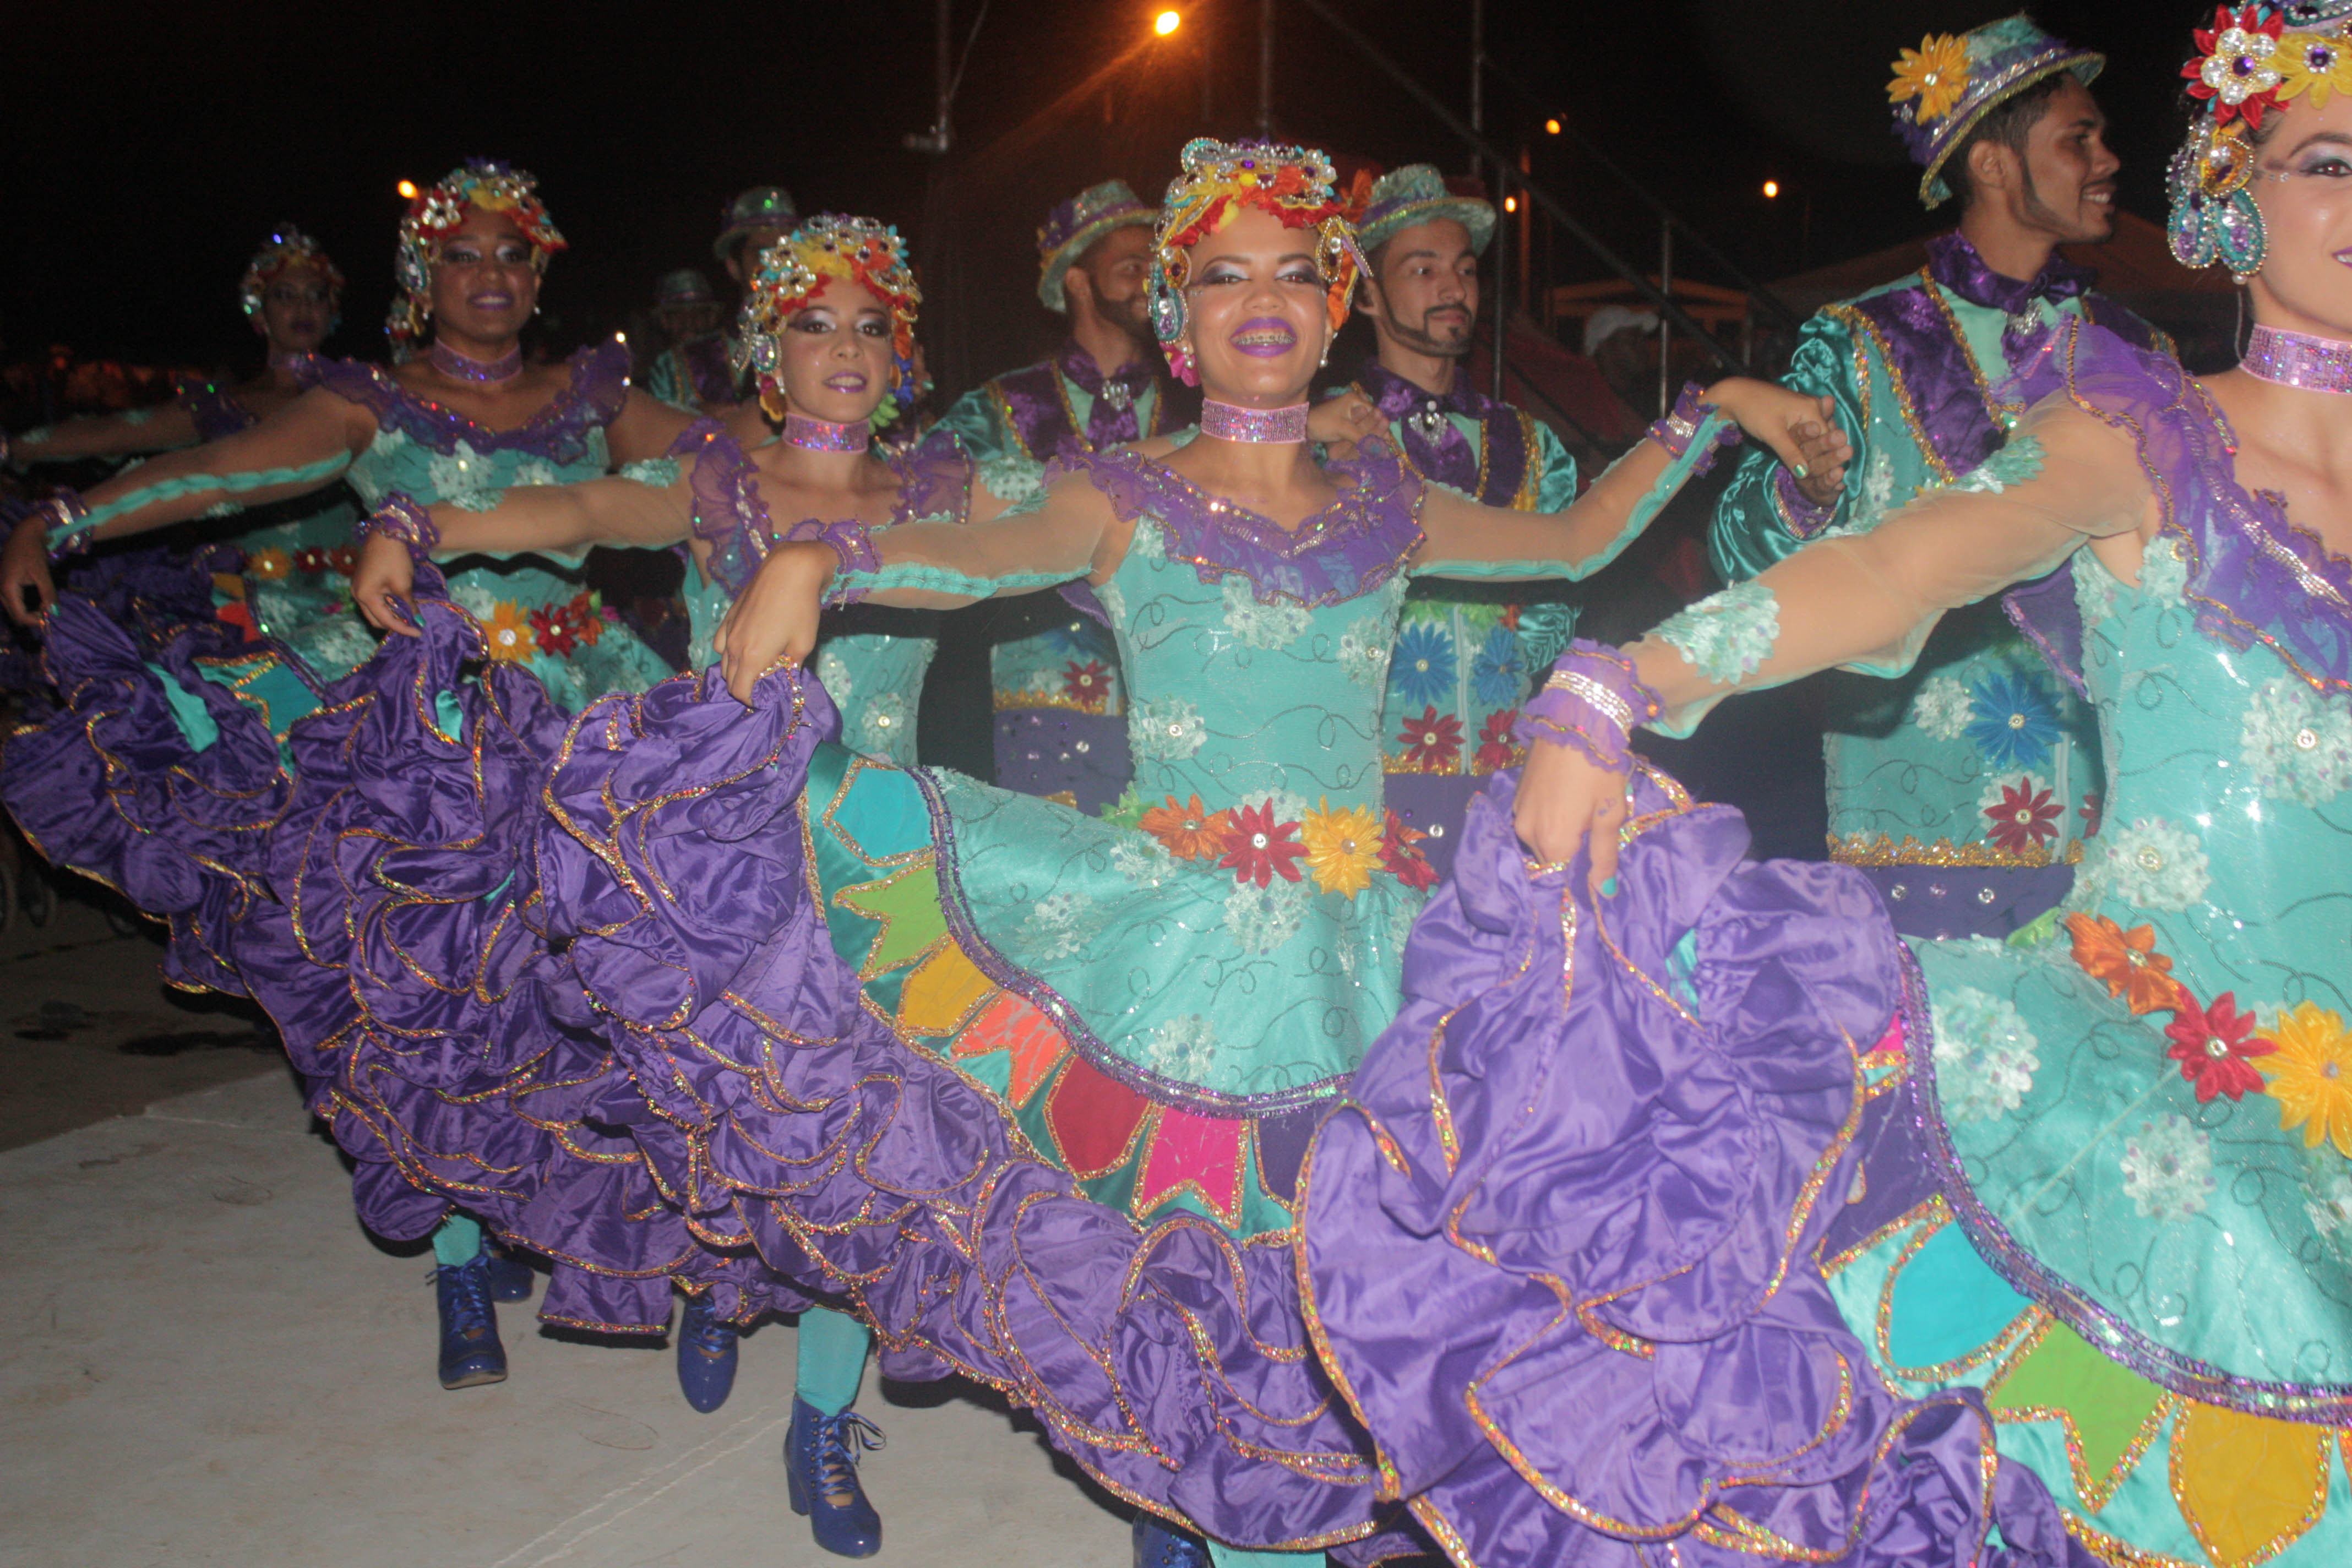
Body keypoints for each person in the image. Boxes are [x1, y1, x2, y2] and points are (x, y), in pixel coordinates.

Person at [142, 138, 1831, 1568]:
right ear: (1175, 319)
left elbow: (1574, 539)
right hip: (1164, 935)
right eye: (1224, 272)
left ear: (1331, 309)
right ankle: (1182, 1512)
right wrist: (814, 564)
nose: (1263, 298)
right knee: (1170, 1249)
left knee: (1337, 1249)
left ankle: (1276, 1492)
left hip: (1365, 934)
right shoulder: (1113, 494)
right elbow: (954, 553)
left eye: (1294, 272)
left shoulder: (1390, 501)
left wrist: (1715, 413)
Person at [1493, 6, 2352, 1560]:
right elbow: (1892, 569)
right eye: (2328, 162)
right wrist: (1627, 680)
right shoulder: (2141, 431)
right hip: (2164, 1082)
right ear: (2232, 189)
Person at [0, 160, 689, 1394]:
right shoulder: (375, 399)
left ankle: (590, 1208)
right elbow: (226, 471)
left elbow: (728, 470)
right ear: (425, 278)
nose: (492, 276)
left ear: (542, 274)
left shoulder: (597, 393)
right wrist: (67, 520)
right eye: (464, 255)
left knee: (601, 984)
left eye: (514, 255)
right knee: (432, 996)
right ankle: (463, 1259)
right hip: (425, 736)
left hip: (587, 713)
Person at [344, 221, 981, 1542]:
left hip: (876, 874)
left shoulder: (949, 491)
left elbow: (1105, 531)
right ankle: (710, 1276)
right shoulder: (718, 485)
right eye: (815, 322)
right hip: (715, 870)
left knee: (853, 1154)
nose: (846, 347)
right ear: (765, 350)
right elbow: (572, 507)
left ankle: (820, 1419)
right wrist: (419, 521)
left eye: (872, 323)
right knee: (705, 1116)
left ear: (904, 348)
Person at [1709, 15, 2172, 940]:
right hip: (1923, 818)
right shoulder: (1860, 342)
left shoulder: (2131, 347)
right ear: (1995, 166)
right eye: (2078, 138)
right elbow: (1739, 550)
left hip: (2122, 827)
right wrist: (1807, 490)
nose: (2109, 157)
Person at [1336, 164, 1581, 876]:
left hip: (1503, 791)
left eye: (1465, 269)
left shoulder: (1536, 450)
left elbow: (1551, 617)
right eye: (1423, 268)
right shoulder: (1327, 442)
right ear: (1368, 298)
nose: (1453, 287)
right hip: (1361, 801)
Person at [929, 179, 1180, 808]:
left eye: (1158, 267)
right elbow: (917, 499)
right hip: (1042, 706)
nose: (1151, 281)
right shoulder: (999, 408)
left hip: (1181, 705)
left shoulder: (1200, 400)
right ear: (1077, 281)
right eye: (1131, 267)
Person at [1, 227, 360, 644]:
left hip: (350, 604)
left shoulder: (362, 400)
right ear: (258, 311)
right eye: (285, 294)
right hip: (249, 607)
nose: (303, 307)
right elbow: (122, 432)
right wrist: (16, 446)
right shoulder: (224, 405)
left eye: (316, 294)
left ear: (333, 309)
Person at [642, 268, 738, 413]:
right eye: (678, 316)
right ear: (665, 321)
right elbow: (659, 416)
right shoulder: (665, 365)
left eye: (697, 314)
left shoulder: (737, 349)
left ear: (711, 318)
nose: (688, 323)